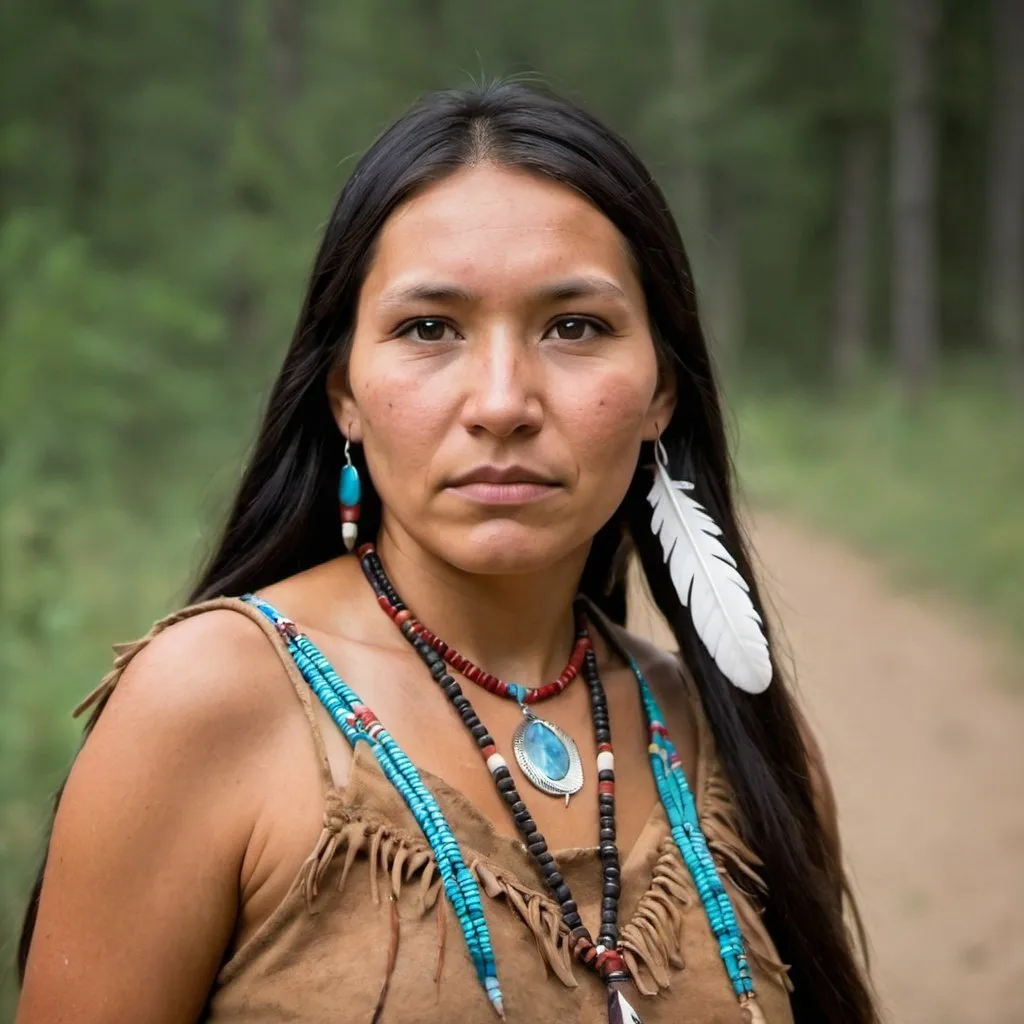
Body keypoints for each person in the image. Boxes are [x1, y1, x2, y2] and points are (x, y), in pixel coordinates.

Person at [15, 82, 877, 1024]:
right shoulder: (211, 705)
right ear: (343, 387)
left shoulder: (741, 741)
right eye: (430, 329)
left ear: (661, 390)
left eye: (574, 327)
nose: (502, 401)